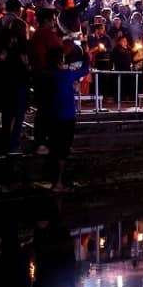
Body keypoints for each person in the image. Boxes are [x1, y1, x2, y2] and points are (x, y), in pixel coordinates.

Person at [44, 46, 89, 191]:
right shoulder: (65, 74)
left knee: (54, 147)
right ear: (60, 59)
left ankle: (54, 181)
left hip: (51, 115)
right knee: (62, 149)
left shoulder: (46, 74)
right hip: (66, 116)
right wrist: (87, 55)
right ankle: (58, 183)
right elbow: (84, 70)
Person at [0, 0, 30, 155]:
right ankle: (14, 144)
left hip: (2, 74)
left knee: (6, 112)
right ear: (18, 9)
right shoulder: (20, 24)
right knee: (19, 111)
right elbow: (24, 51)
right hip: (18, 74)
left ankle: (3, 143)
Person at [30, 8, 62, 154]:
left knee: (48, 110)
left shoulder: (41, 34)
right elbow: (45, 56)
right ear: (47, 20)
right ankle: (41, 142)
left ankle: (47, 141)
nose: (54, 21)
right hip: (46, 77)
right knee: (45, 111)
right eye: (53, 19)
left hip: (46, 76)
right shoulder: (44, 34)